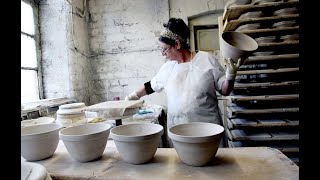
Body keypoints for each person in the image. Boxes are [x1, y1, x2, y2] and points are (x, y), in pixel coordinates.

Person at [125, 18, 242, 147]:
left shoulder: (206, 60)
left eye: (165, 49)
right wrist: (132, 97)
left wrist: (230, 76)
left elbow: (224, 90)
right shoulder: (168, 67)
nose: (162, 54)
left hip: (207, 133)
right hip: (178, 133)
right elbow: (149, 86)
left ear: (177, 44)